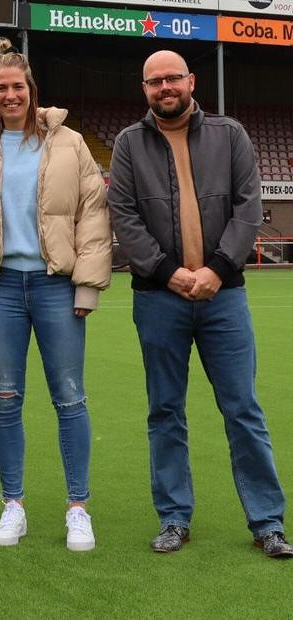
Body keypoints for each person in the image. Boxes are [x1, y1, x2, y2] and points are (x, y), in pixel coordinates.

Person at [108, 50, 292, 557]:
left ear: (191, 81)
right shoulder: (127, 144)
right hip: (158, 299)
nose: (164, 87)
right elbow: (124, 217)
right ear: (143, 88)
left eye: (172, 78)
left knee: (243, 410)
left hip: (223, 298)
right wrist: (170, 274)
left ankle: (267, 523)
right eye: (154, 81)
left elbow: (248, 208)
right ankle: (173, 517)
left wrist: (216, 270)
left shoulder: (230, 134)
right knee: (165, 411)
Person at [0, 38, 111, 550]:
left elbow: (92, 214)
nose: (10, 95)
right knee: (5, 399)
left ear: (31, 88)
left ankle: (77, 507)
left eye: (18, 86)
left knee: (69, 397)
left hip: (57, 286)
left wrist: (86, 281)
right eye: (2, 88)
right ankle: (12, 504)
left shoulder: (70, 143)